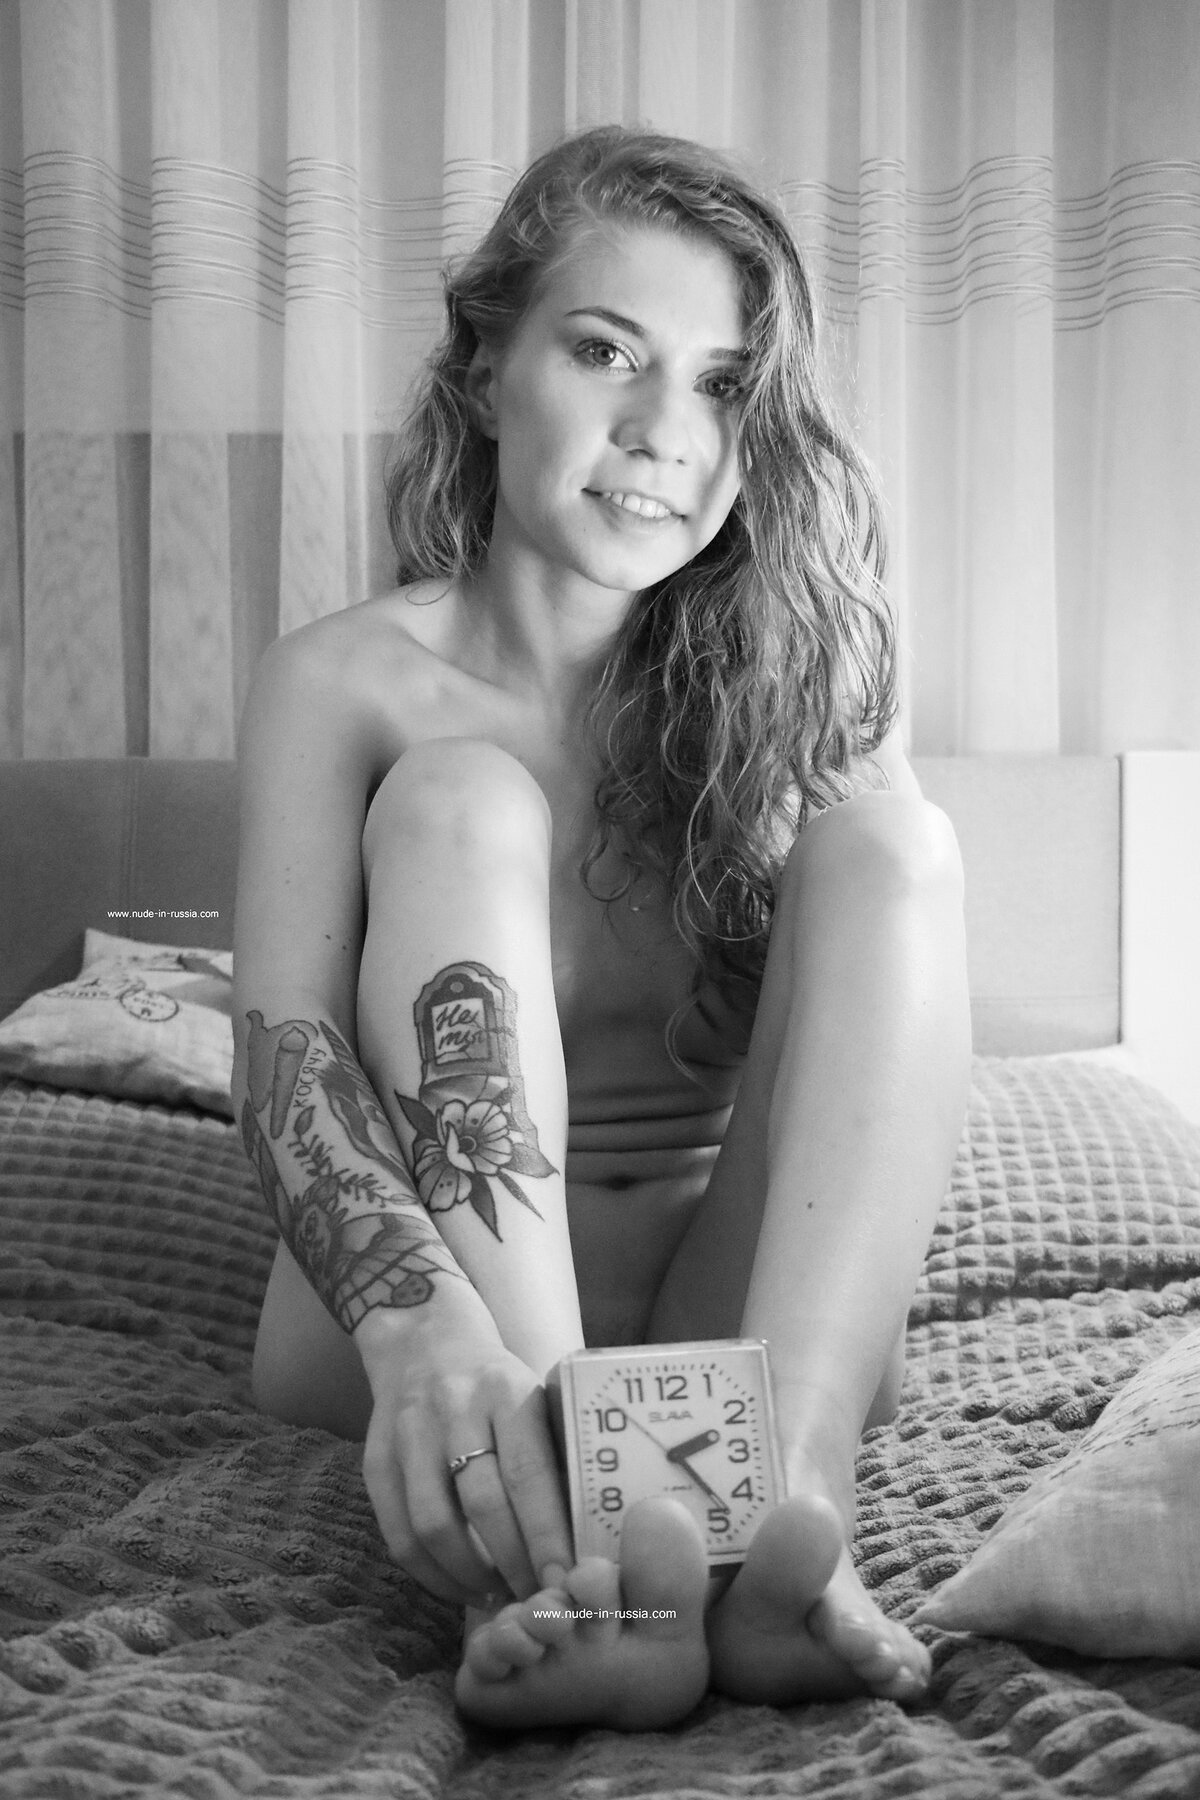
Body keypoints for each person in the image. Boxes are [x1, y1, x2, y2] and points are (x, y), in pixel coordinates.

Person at [233, 125, 971, 1732]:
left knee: (899, 848)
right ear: (486, 366)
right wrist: (421, 1338)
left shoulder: (805, 672)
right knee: (458, 797)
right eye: (604, 351)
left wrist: (785, 1417)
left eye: (722, 383)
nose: (663, 432)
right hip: (443, 1331)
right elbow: (283, 1057)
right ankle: (566, 1547)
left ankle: (795, 1517)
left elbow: (881, 1034)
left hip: (733, 1338)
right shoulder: (342, 681)